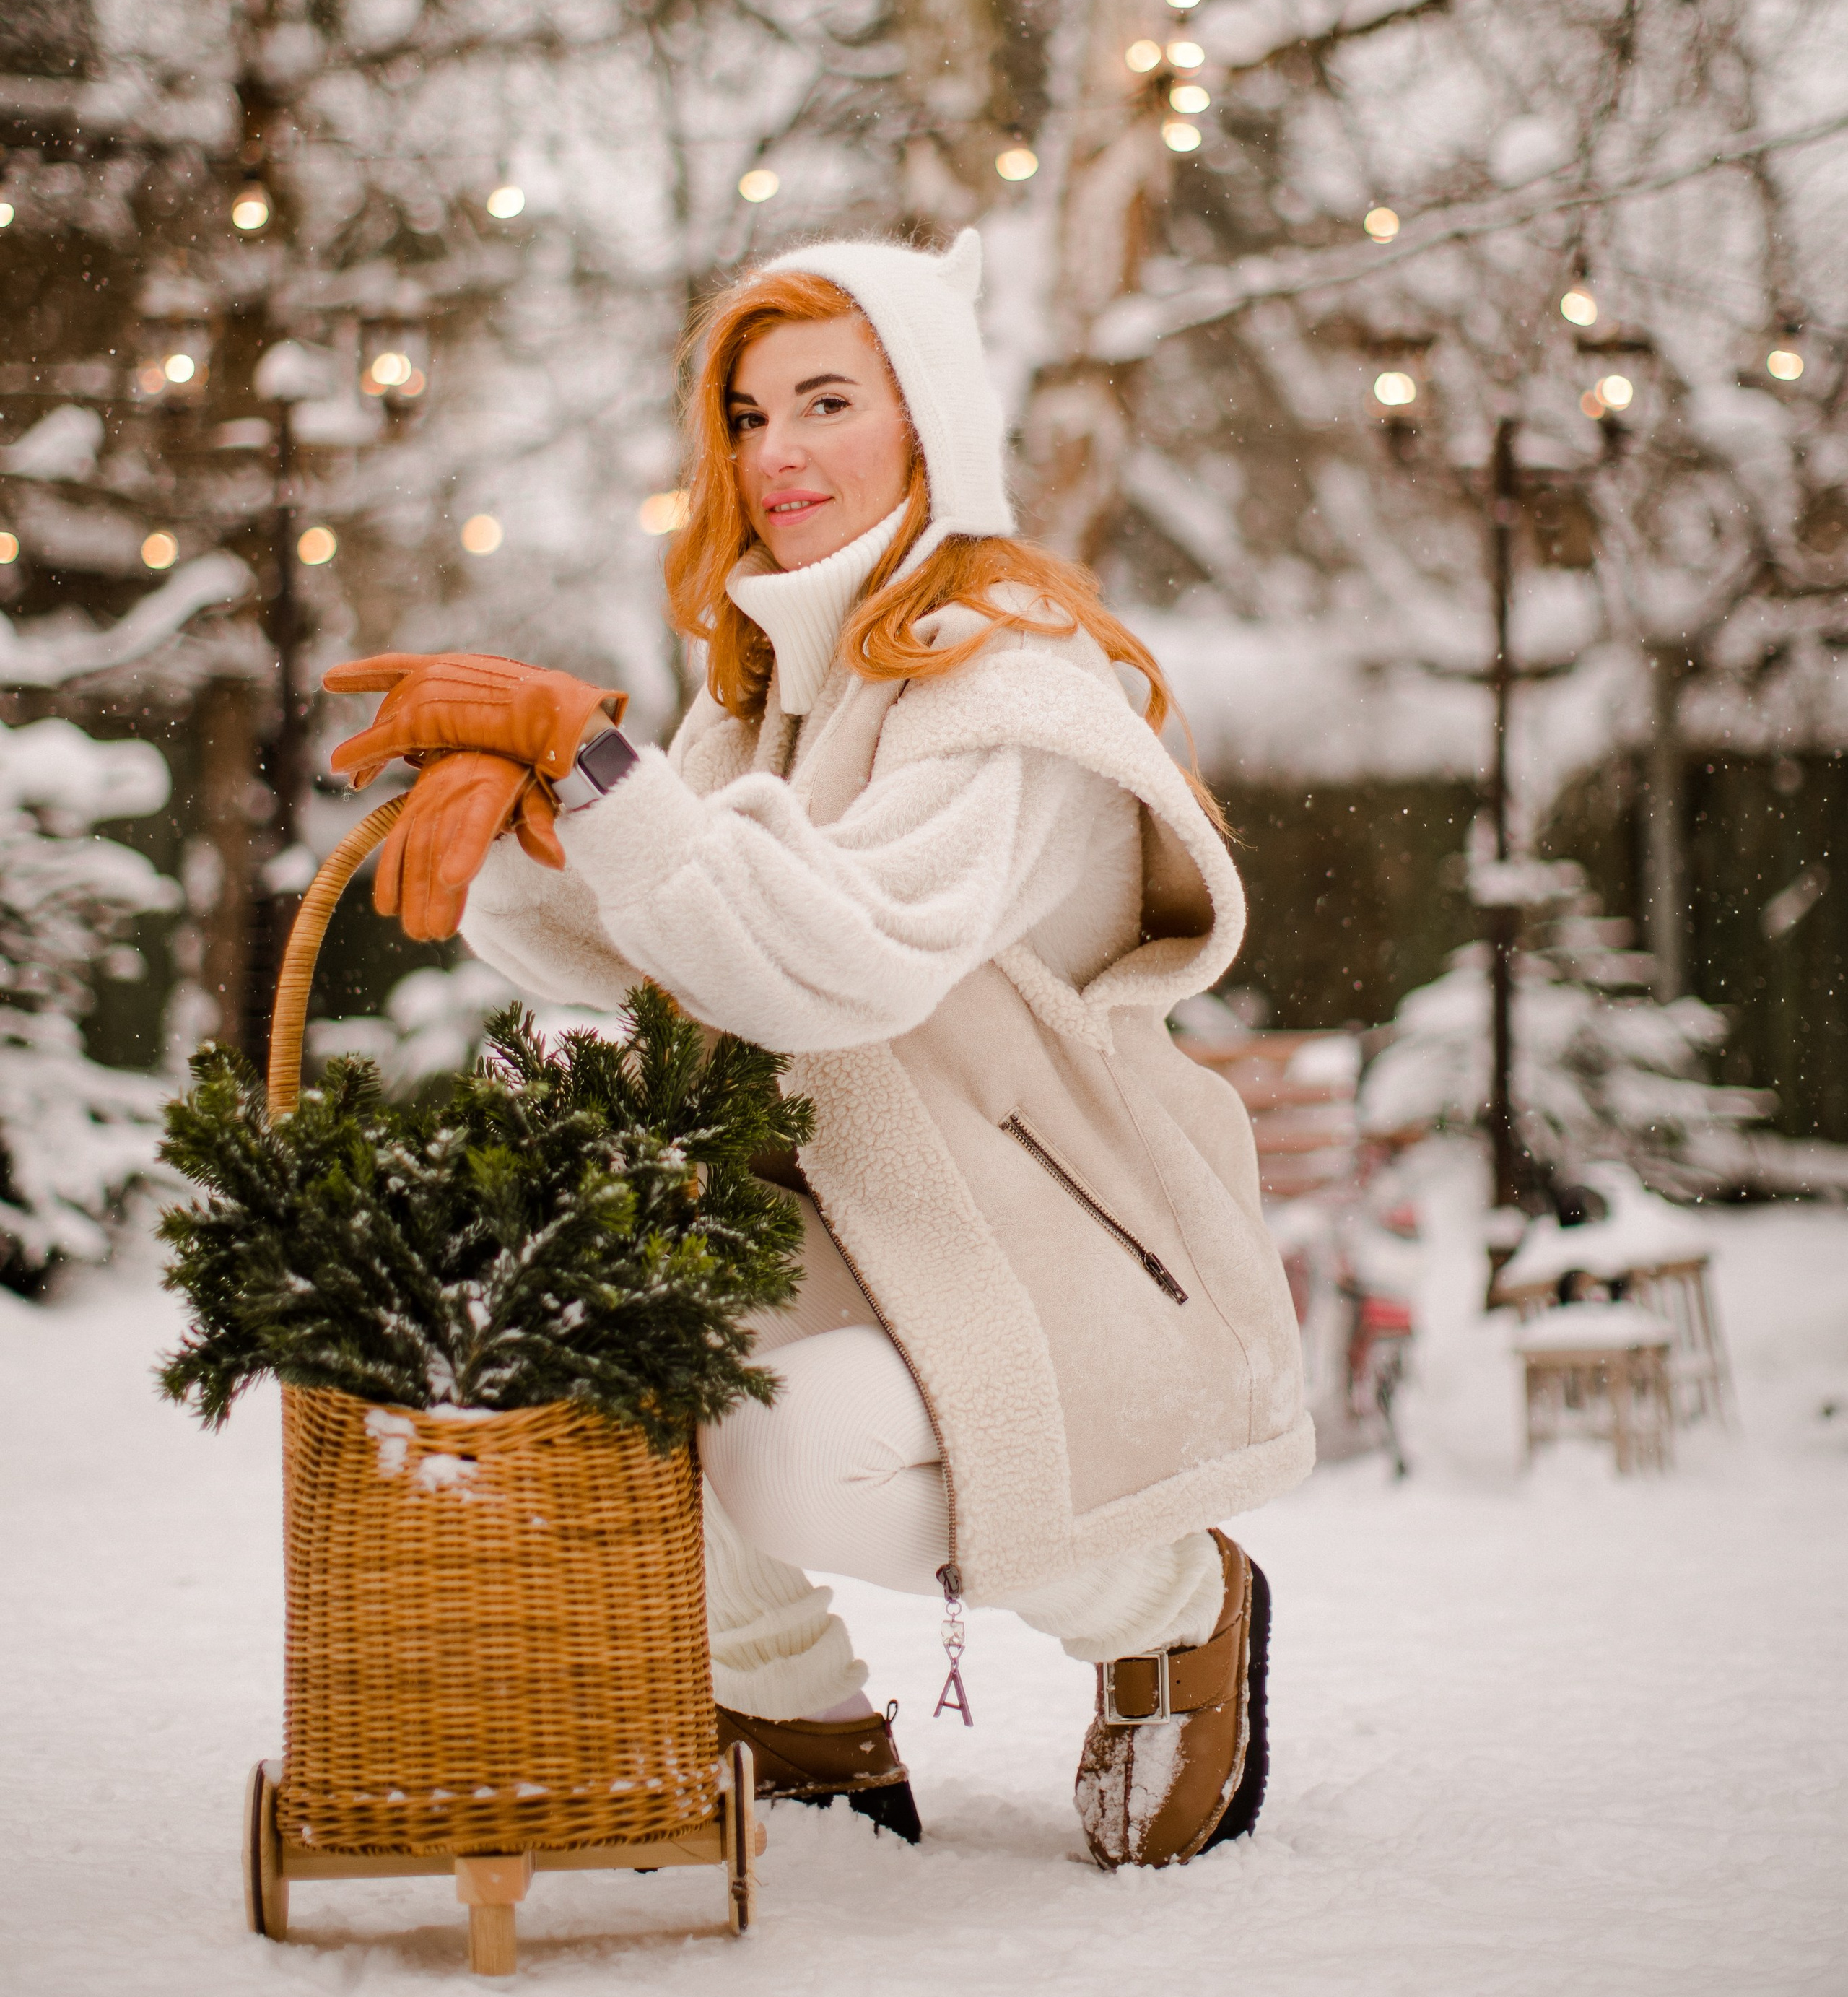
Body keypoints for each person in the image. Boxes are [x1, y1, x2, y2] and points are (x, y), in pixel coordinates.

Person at [325, 231, 1312, 1871]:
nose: (773, 451)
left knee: (798, 1461)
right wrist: (530, 824)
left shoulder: (1007, 679)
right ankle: (792, 1708)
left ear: (931, 423)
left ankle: (1172, 1607)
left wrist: (598, 769)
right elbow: (688, 940)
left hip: (1051, 1246)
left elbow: (842, 958)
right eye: (745, 414)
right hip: (857, 1222)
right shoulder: (769, 691)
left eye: (826, 402)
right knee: (615, 1342)